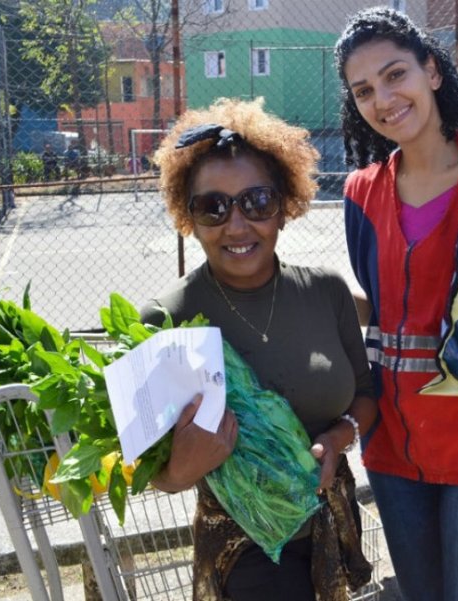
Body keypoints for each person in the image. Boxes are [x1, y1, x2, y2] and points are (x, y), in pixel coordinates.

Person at [143, 98, 376, 601]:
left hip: (334, 529)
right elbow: (152, 471)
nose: (237, 225)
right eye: (213, 207)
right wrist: (184, 467)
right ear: (189, 216)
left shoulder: (326, 291)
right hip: (245, 551)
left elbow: (366, 394)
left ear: (284, 206)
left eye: (257, 202)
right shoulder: (167, 321)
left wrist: (338, 439)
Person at [335, 8, 458, 600]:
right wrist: (301, 295)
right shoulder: (360, 192)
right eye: (364, 90)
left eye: (395, 75)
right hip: (391, 447)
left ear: (431, 71)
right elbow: (378, 305)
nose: (383, 99)